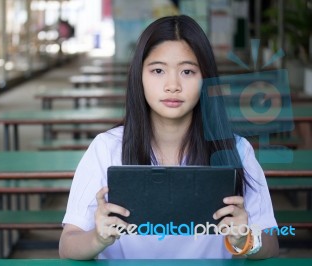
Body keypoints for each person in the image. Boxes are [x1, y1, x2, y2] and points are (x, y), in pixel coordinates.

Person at [59, 15, 279, 259]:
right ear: (138, 76)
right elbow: (68, 244)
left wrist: (245, 238)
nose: (172, 84)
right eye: (158, 70)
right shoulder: (106, 148)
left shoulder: (235, 149)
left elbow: (271, 244)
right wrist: (97, 238)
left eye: (187, 71)